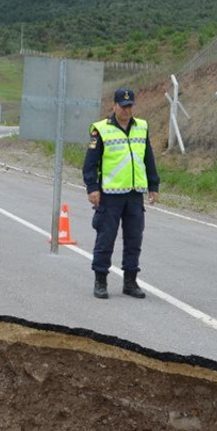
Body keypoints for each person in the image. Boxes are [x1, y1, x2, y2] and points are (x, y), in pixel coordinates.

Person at [82, 87, 160, 299]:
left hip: (134, 194)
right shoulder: (100, 130)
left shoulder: (141, 127)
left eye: (130, 105)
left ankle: (130, 281)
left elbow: (148, 158)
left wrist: (153, 185)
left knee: (134, 239)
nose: (127, 110)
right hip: (110, 195)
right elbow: (90, 164)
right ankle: (100, 280)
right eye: (123, 106)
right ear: (114, 106)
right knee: (106, 238)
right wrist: (92, 188)